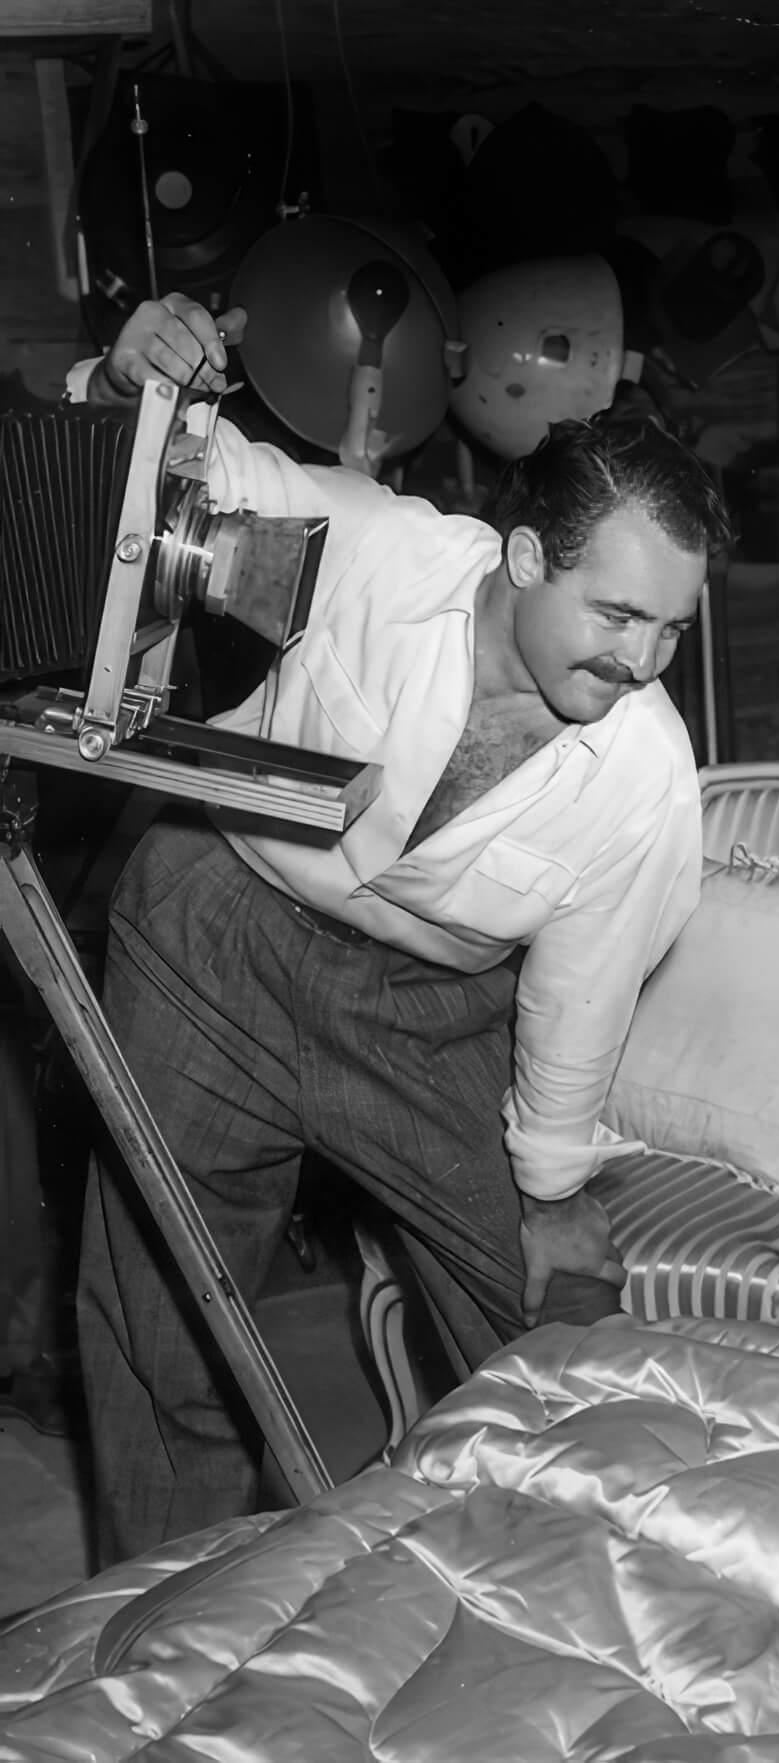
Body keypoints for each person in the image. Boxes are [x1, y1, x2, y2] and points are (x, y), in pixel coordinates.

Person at [69, 292, 730, 1562]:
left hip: (427, 1012)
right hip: (217, 929)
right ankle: (173, 1638)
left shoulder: (645, 776)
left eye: (671, 629)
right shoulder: (377, 549)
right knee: (158, 1318)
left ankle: (557, 1609)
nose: (644, 662)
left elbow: (579, 995)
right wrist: (125, 386)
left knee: (547, 1321)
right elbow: (200, 472)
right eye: (617, 615)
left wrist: (551, 1190)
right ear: (525, 558)